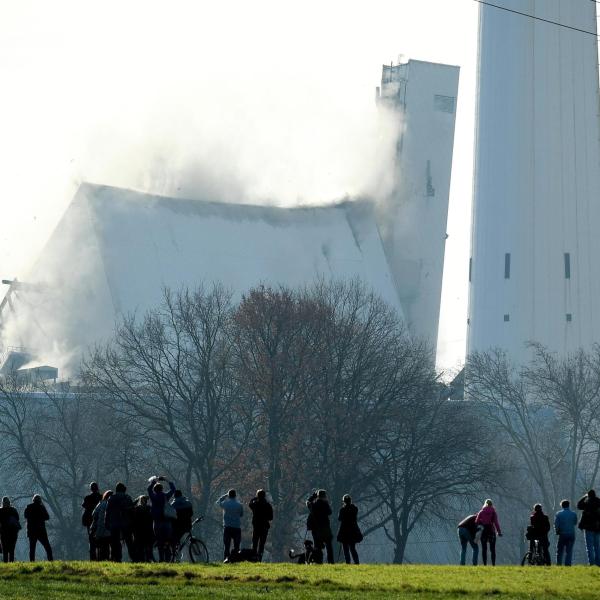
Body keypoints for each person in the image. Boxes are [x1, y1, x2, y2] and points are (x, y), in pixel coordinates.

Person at [147, 476, 176, 562]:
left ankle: (161, 559)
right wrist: (167, 479)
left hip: (157, 522)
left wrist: (153, 481)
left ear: (155, 490)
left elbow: (149, 489)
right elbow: (173, 489)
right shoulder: (165, 496)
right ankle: (168, 558)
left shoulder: (153, 497)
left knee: (160, 541)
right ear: (162, 489)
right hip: (166, 521)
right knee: (167, 541)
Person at [105, 482, 134, 562]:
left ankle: (117, 558)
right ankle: (133, 557)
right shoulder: (127, 497)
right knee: (129, 542)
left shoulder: (111, 498)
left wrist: (106, 522)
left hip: (114, 523)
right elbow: (132, 511)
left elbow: (107, 511)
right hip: (126, 523)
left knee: (115, 542)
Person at [306, 489, 334, 564]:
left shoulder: (313, 505)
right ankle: (331, 562)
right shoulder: (325, 504)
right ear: (324, 496)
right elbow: (330, 512)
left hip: (316, 529)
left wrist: (312, 496)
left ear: (318, 496)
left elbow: (308, 503)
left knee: (317, 547)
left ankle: (318, 561)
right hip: (325, 528)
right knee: (329, 546)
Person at [24, 495, 53, 562]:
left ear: (33, 500)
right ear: (40, 500)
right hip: (41, 530)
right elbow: (47, 517)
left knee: (32, 548)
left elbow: (25, 516)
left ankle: (32, 562)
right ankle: (51, 561)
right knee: (47, 547)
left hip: (31, 530)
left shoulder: (29, 507)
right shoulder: (41, 507)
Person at [217, 489, 244, 562]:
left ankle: (226, 559)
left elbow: (219, 501)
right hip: (236, 527)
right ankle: (236, 559)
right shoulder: (239, 505)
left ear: (229, 496)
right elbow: (241, 515)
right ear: (235, 496)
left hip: (227, 527)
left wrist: (225, 495)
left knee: (227, 546)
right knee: (237, 546)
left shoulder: (225, 503)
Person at [337, 494, 362, 565]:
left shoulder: (342, 510)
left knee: (345, 549)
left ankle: (348, 563)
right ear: (351, 501)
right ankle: (356, 562)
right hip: (353, 530)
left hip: (344, 531)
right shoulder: (355, 508)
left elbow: (339, 519)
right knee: (352, 548)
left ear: (344, 501)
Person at [475, 499, 502, 566]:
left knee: (484, 549)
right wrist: (499, 532)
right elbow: (496, 523)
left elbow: (476, 522)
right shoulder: (493, 512)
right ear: (491, 504)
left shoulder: (481, 512)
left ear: (485, 504)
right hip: (491, 531)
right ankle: (493, 564)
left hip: (484, 532)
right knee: (492, 549)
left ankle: (485, 564)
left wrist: (481, 522)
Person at [577, 489, 600, 566]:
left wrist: (584, 497)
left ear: (589, 495)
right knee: (597, 546)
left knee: (589, 547)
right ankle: (598, 563)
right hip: (597, 528)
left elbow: (579, 505)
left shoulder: (587, 503)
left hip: (588, 528)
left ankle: (592, 563)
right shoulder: (599, 502)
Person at [249, 489, 273, 560]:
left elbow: (250, 504)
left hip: (256, 526)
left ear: (257, 496)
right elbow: (271, 517)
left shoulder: (255, 504)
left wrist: (254, 498)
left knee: (255, 542)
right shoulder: (268, 505)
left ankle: (253, 557)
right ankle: (260, 557)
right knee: (262, 543)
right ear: (264, 496)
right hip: (264, 526)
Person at [82, 482, 103, 561]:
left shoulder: (87, 498)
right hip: (100, 521)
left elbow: (84, 506)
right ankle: (100, 558)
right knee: (100, 540)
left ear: (91, 489)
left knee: (91, 540)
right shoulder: (101, 497)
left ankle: (93, 559)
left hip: (90, 522)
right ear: (97, 488)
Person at [554, 499, 578, 566]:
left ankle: (559, 564)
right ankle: (568, 564)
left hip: (562, 534)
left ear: (562, 506)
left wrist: (557, 531)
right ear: (568, 505)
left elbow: (556, 524)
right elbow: (575, 523)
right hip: (571, 534)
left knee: (560, 550)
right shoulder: (573, 514)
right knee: (569, 551)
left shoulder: (558, 514)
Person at [91, 490, 113, 561]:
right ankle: (110, 559)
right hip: (110, 529)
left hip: (101, 528)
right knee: (109, 545)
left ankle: (101, 559)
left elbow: (94, 514)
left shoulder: (101, 504)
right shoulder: (113, 504)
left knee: (101, 545)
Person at [131, 495, 154, 562]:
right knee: (148, 545)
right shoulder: (149, 508)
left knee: (139, 546)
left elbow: (134, 519)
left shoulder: (137, 509)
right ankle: (148, 559)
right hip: (148, 529)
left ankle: (140, 559)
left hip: (138, 530)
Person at [0, 497, 21, 562]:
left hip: (4, 533)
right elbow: (17, 518)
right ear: (9, 502)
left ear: (3, 503)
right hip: (13, 533)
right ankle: (11, 563)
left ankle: (6, 565)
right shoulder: (13, 510)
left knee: (5, 550)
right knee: (12, 550)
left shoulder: (0, 510)